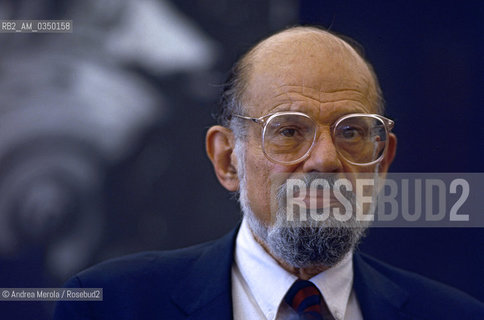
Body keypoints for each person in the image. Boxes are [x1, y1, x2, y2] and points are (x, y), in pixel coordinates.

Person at [54, 26, 484, 320]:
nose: (324, 160)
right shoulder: (111, 306)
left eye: (351, 131)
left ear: (382, 161)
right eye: (289, 131)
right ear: (227, 160)